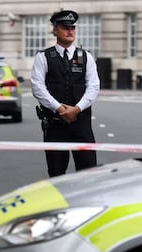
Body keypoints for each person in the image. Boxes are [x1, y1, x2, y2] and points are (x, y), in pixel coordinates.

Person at [31, 10, 100, 177]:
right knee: (56, 174)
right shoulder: (43, 57)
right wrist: (60, 109)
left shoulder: (86, 57)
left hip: (81, 124)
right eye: (65, 27)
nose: (70, 31)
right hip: (55, 125)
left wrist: (76, 109)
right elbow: (37, 87)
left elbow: (94, 86)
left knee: (88, 172)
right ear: (55, 30)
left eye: (73, 28)